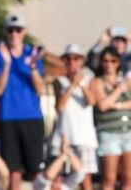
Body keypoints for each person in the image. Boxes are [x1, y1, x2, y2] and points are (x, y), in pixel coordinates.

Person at [0, 14, 45, 190]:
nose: (14, 34)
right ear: (6, 32)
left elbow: (40, 89)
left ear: (24, 32)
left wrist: (34, 67)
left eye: (18, 30)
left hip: (32, 116)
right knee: (13, 169)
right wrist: (6, 64)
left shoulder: (32, 54)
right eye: (10, 30)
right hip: (8, 118)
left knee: (35, 168)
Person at [52, 44, 97, 190]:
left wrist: (81, 84)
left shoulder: (89, 79)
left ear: (81, 61)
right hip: (65, 137)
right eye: (68, 58)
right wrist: (72, 86)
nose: (72, 62)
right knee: (62, 179)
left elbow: (91, 102)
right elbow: (59, 107)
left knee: (85, 179)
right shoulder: (59, 81)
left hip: (85, 137)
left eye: (76, 58)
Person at [89, 46, 131, 190]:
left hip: (128, 132)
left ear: (118, 62)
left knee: (128, 178)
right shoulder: (97, 82)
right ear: (101, 63)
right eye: (106, 61)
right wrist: (120, 90)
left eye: (113, 61)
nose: (109, 64)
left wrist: (116, 105)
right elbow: (102, 106)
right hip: (108, 134)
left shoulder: (125, 80)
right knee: (109, 178)